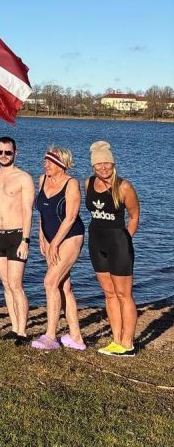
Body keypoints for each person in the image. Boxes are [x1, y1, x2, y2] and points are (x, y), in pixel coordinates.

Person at [85, 141, 141, 357]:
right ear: (93, 166)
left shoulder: (124, 187)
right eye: (98, 164)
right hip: (96, 243)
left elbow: (134, 216)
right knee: (109, 294)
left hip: (118, 244)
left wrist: (125, 239)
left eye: (106, 163)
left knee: (123, 294)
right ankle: (116, 340)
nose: (103, 168)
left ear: (113, 163)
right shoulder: (88, 183)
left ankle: (128, 344)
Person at [31, 146, 86, 351]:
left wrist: (55, 243)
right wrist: (42, 237)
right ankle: (76, 337)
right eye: (45, 161)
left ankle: (50, 336)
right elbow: (43, 213)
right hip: (50, 238)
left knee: (50, 282)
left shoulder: (71, 184)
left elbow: (70, 218)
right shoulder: (42, 179)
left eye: (50, 162)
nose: (45, 165)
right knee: (64, 286)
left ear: (62, 164)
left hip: (71, 237)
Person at [0, 136, 35, 346]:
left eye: (8, 152)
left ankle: (22, 332)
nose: (3, 156)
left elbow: (27, 211)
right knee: (6, 284)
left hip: (16, 235)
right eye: (0, 152)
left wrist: (25, 240)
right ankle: (14, 327)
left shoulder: (24, 178)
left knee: (16, 284)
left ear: (15, 153)